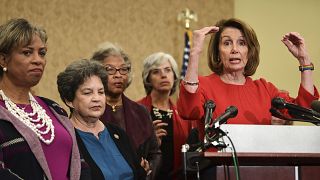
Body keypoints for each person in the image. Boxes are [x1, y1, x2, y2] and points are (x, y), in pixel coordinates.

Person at [177, 18, 319, 139]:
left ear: (249, 52)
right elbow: (189, 111)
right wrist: (195, 52)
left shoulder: (264, 89)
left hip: (260, 168)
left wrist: (304, 60)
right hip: (219, 168)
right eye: (227, 43)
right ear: (218, 52)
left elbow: (304, 110)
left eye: (242, 43)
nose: (235, 49)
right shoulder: (204, 85)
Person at [0, 18, 86, 179]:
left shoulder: (54, 108)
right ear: (3, 59)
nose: (38, 60)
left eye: (42, 53)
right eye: (27, 52)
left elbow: (80, 163)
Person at [57, 59, 148, 180]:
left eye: (101, 92)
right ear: (69, 100)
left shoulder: (118, 133)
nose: (97, 98)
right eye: (88, 93)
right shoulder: (65, 139)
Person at [91, 42, 161, 179]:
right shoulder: (90, 111)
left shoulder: (141, 111)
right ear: (96, 74)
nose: (118, 75)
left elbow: (155, 153)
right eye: (110, 69)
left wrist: (149, 168)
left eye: (123, 69)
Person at [137, 52, 193, 179]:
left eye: (168, 70)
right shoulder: (136, 110)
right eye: (156, 72)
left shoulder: (184, 114)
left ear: (174, 77)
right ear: (148, 79)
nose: (163, 75)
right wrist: (150, 143)